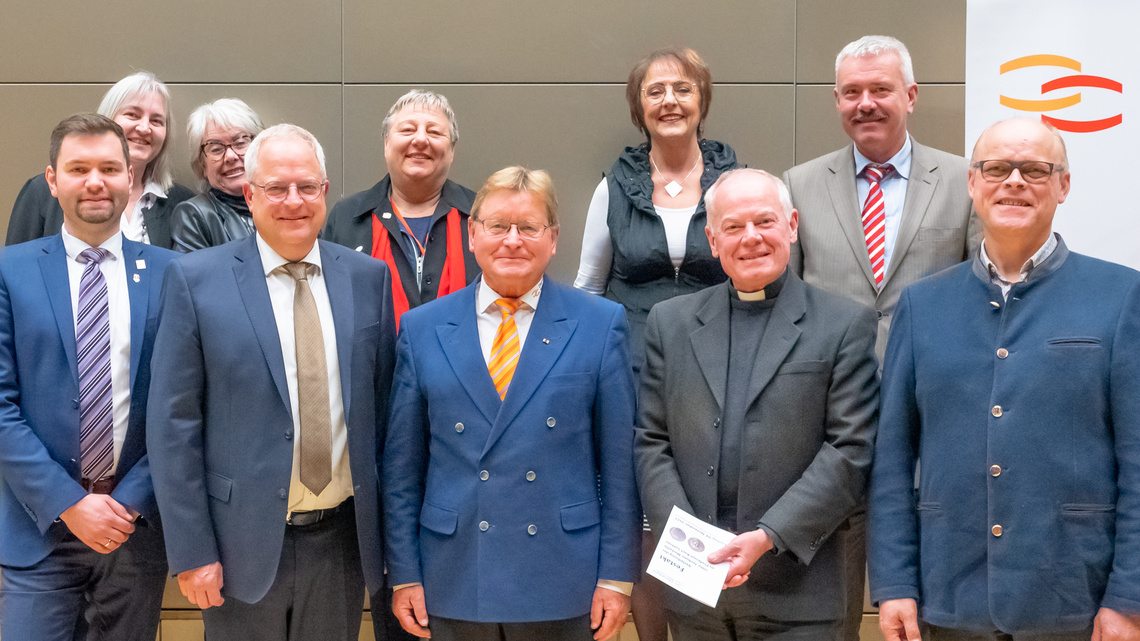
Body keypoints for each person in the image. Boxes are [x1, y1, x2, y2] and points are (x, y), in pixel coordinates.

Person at [869, 118, 1140, 641]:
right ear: (972, 184)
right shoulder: (922, 305)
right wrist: (895, 582)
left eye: (1036, 169)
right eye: (996, 168)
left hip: (1074, 598)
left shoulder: (1122, 296)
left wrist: (1129, 597)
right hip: (948, 594)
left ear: (1063, 186)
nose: (1014, 181)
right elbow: (892, 461)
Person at [146, 124, 396, 640]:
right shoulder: (195, 281)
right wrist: (193, 551)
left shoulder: (367, 278)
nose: (293, 201)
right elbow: (173, 427)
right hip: (239, 547)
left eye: (306, 186)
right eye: (276, 188)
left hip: (342, 544)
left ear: (325, 192)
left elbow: (384, 411)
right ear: (250, 193)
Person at [383, 166, 640, 641]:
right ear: (473, 235)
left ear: (554, 238)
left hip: (564, 574)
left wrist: (616, 576)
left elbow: (620, 468)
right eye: (499, 226)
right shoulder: (422, 328)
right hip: (454, 571)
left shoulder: (600, 324)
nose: (513, 240)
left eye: (528, 227)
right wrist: (404, 572)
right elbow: (402, 470)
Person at [781, 35, 978, 640]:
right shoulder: (800, 183)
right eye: (852, 92)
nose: (866, 103)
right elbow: (790, 306)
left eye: (881, 90)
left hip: (931, 417)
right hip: (830, 421)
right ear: (837, 100)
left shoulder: (963, 180)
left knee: (928, 599)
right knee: (833, 599)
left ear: (911, 96)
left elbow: (976, 298)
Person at [635, 168, 879, 641]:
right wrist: (692, 544)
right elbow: (651, 441)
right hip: (696, 588)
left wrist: (768, 537)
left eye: (764, 222)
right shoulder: (671, 324)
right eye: (733, 226)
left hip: (800, 589)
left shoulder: (844, 325)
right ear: (712, 238)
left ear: (791, 225)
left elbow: (850, 451)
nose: (751, 238)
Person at [574, 46, 737, 640]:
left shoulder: (735, 181)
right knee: (640, 512)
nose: (670, 100)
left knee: (704, 497)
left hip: (717, 373)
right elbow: (589, 287)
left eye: (683, 88)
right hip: (630, 373)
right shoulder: (612, 188)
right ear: (638, 108)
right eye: (655, 91)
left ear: (702, 101)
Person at [0, 113, 177, 640]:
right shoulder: (10, 272)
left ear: (130, 178)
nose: (95, 181)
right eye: (78, 169)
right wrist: (70, 503)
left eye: (108, 168)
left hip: (135, 530)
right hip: (37, 528)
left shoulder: (175, 274)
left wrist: (126, 503)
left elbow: (181, 406)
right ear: (52, 180)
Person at [323, 89, 479, 329]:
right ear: (386, 143)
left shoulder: (483, 216)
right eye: (407, 130)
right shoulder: (347, 217)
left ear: (452, 148)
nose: (420, 139)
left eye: (434, 132)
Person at [7, 71, 194, 249]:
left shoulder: (182, 204)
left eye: (156, 121)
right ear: (108, 119)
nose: (145, 128)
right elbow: (16, 269)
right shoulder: (42, 192)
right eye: (132, 115)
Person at [170, 98, 265, 251]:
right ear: (202, 165)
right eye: (216, 149)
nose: (230, 156)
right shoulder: (195, 216)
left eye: (240, 143)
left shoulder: (285, 200)